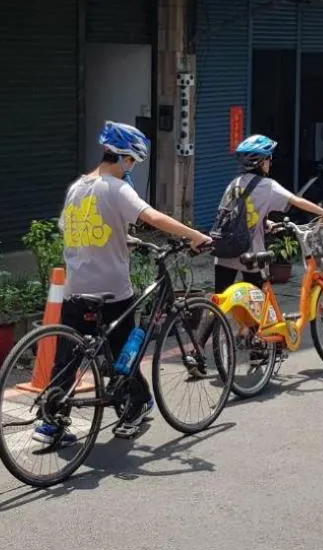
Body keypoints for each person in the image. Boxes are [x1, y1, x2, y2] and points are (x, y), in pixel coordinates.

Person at [54, 121, 210, 441]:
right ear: (125, 157)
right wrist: (195, 236)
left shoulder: (77, 187)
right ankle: (136, 406)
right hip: (111, 290)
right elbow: (152, 216)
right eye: (133, 162)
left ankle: (52, 419)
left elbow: (76, 228)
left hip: (75, 289)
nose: (132, 168)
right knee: (126, 352)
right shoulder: (118, 188)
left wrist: (121, 237)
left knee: (67, 357)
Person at [215, 134, 323, 292]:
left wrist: (264, 223)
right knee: (259, 305)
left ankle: (214, 316)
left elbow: (234, 214)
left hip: (223, 252)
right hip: (250, 254)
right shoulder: (268, 186)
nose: (270, 163)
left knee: (220, 302)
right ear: (261, 162)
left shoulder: (234, 184)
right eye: (269, 159)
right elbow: (297, 201)